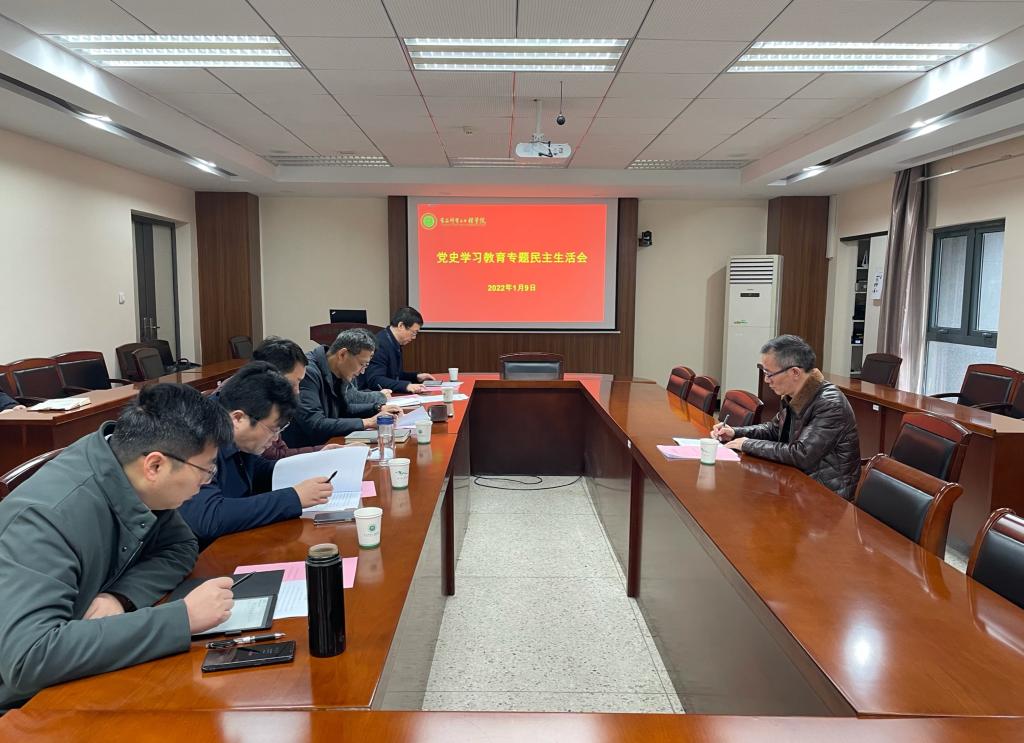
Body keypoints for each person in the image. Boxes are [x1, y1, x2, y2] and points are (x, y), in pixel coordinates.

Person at [0, 383, 236, 709]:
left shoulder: (127, 471)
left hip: (80, 671)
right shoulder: (45, 519)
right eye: (206, 470)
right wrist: (182, 618)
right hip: (25, 706)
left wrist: (121, 597)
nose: (205, 482)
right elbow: (28, 658)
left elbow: (181, 546)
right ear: (155, 466)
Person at [177, 362, 334, 550]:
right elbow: (209, 517)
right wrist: (293, 498)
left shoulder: (235, 433)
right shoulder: (197, 438)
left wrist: (317, 459)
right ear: (238, 418)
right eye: (273, 430)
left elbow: (259, 471)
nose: (275, 439)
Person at [711, 334, 861, 500]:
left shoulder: (830, 404)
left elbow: (801, 454)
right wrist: (735, 432)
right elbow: (773, 429)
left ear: (794, 372)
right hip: (796, 482)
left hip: (825, 496)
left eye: (769, 374)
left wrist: (747, 444)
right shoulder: (794, 394)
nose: (766, 380)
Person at [252, 337, 379, 460]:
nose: (297, 392)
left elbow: (278, 453)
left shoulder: (334, 374)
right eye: (292, 384)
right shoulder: (254, 406)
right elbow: (314, 424)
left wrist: (376, 408)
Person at [284, 329, 403, 448]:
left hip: (328, 444)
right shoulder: (308, 372)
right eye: (362, 364)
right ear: (342, 354)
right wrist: (367, 422)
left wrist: (378, 408)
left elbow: (344, 409)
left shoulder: (338, 371)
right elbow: (315, 424)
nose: (362, 371)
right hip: (306, 450)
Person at [361, 306, 435, 394]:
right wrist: (406, 386)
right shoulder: (380, 344)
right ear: (401, 326)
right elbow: (375, 380)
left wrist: (416, 377)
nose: (414, 337)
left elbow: (395, 375)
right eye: (413, 332)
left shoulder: (392, 341)